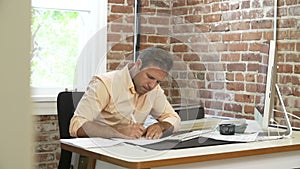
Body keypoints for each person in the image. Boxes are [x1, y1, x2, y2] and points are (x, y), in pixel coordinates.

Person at [69, 47, 181, 139]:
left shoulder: (154, 90)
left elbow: (173, 118)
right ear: (138, 64)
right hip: (97, 154)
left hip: (131, 153)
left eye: (158, 81)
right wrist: (117, 131)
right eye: (150, 77)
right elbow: (76, 126)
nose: (152, 85)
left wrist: (161, 126)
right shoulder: (105, 84)